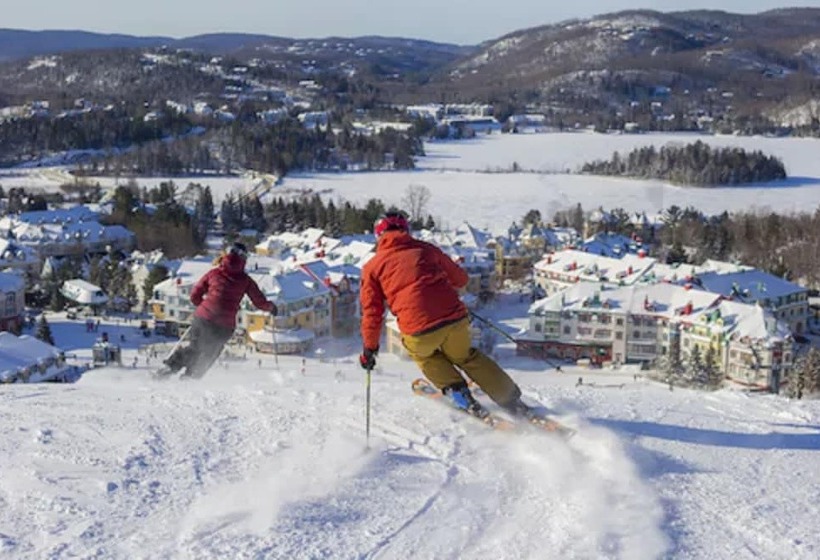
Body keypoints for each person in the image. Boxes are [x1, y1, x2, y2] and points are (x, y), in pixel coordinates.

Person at [359, 211, 527, 418]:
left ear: (378, 235)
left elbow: (372, 313)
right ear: (406, 230)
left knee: (425, 356)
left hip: (418, 329)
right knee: (466, 356)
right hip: (454, 319)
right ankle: (511, 399)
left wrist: (369, 349)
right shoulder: (426, 249)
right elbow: (461, 279)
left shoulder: (372, 268)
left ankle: (459, 393)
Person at [154, 242, 276, 380]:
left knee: (195, 347)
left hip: (203, 318)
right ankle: (191, 377)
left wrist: (204, 307)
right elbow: (259, 301)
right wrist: (271, 307)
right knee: (210, 352)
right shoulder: (245, 280)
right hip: (224, 325)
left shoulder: (214, 273)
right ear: (244, 259)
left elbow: (194, 295)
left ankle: (170, 367)